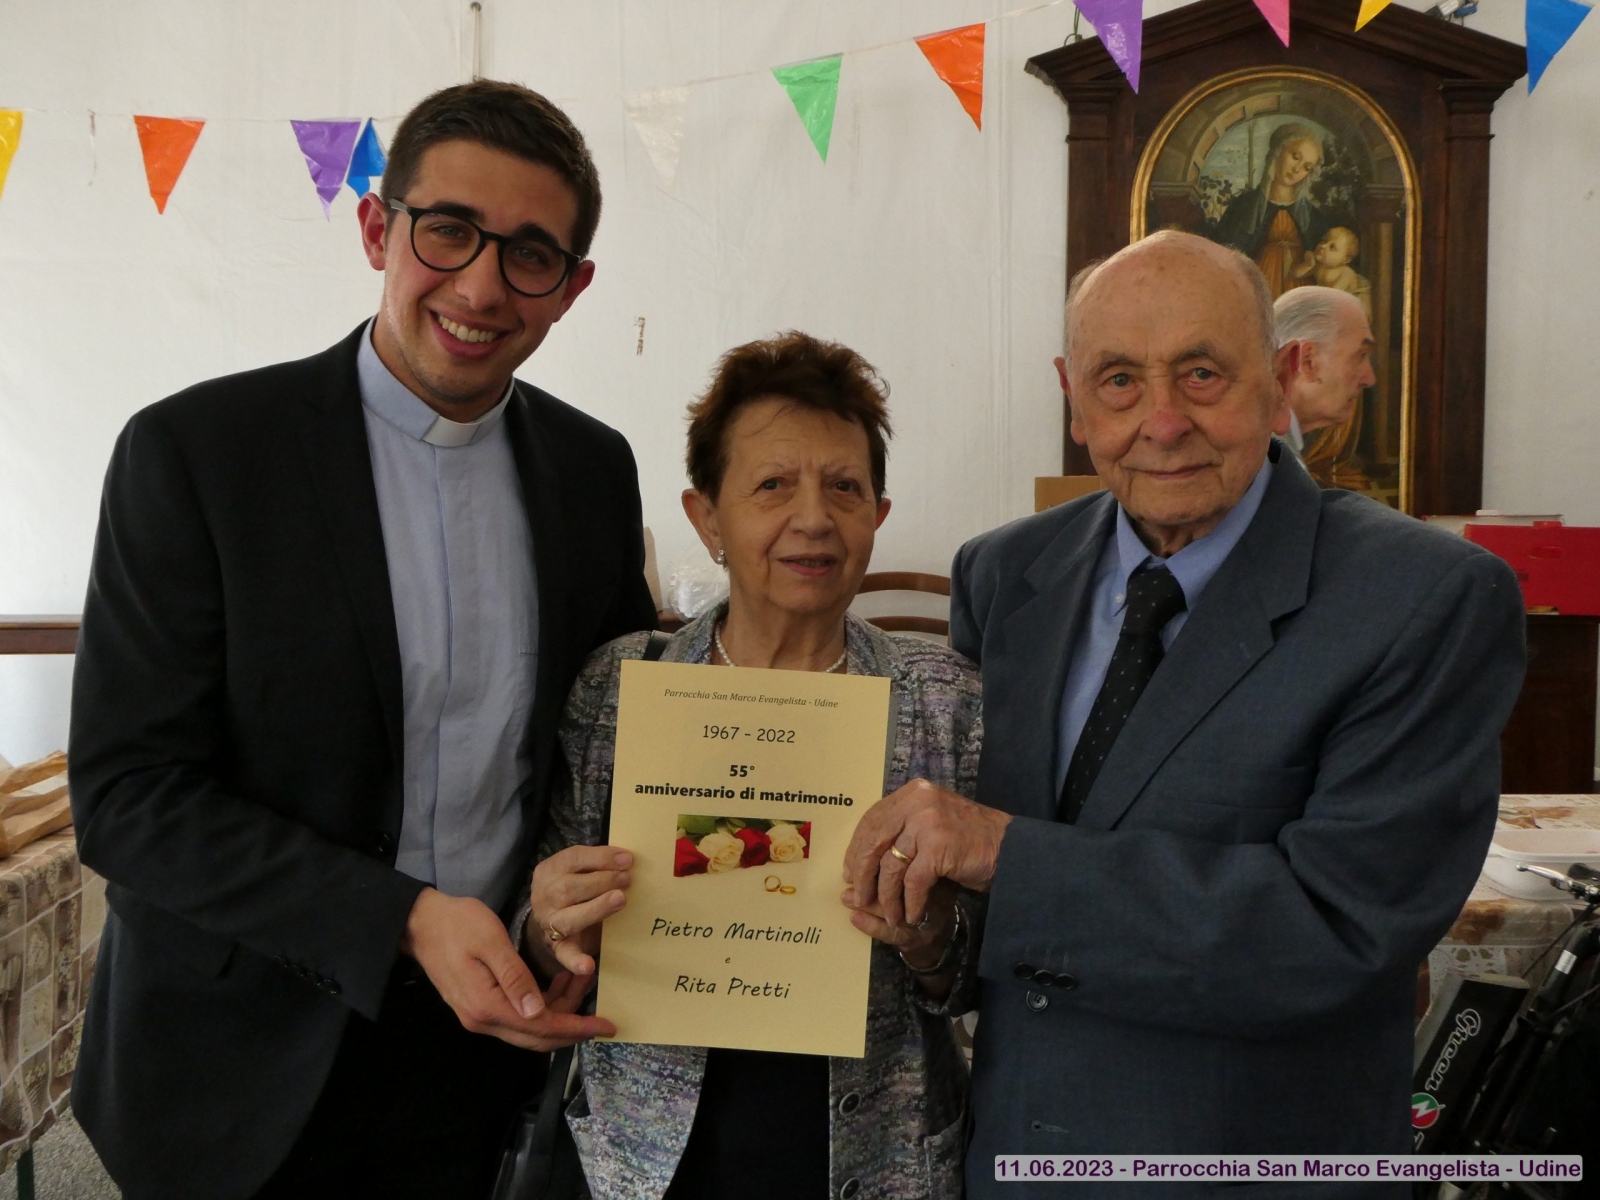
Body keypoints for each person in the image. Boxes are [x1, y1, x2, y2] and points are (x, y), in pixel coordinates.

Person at [67, 80, 656, 1199]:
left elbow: (607, 741)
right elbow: (129, 797)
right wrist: (404, 920)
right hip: (233, 1059)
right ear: (379, 229)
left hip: (483, 1051)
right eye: (449, 231)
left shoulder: (592, 470)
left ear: (571, 289)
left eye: (530, 254)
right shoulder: (199, 453)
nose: (480, 286)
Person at [843, 231, 1526, 1196]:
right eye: (1119, 380)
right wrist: (923, 926)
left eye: (1202, 374)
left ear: (1280, 380)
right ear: (1073, 396)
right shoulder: (1005, 574)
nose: (1162, 423)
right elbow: (987, 927)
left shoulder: (1424, 598)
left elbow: (1334, 930)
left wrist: (1005, 853)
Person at [522, 331, 980, 1200]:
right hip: (647, 1161)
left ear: (877, 515)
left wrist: (931, 936)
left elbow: (979, 974)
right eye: (772, 485)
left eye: (844, 487)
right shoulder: (620, 685)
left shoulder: (947, 699)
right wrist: (555, 926)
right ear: (707, 519)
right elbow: (541, 930)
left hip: (872, 1158)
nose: (813, 518)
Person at [1212, 122, 1330, 298]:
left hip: (1300, 295)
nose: (1297, 169)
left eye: (1307, 167)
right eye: (1295, 156)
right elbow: (1223, 253)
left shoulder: (1313, 217)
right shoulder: (1244, 205)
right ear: (1278, 151)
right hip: (1255, 291)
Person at [1275, 284, 1377, 477]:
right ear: (1307, 361)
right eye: (1360, 355)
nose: (1369, 379)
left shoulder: (1271, 449)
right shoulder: (1269, 462)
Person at [1291, 227, 1372, 320]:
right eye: (1324, 241)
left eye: (1332, 247)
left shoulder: (1346, 273)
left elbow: (1334, 294)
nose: (1323, 246)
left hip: (1349, 301)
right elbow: (1295, 274)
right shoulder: (1318, 266)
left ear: (1345, 259)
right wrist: (1307, 265)